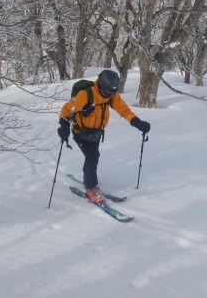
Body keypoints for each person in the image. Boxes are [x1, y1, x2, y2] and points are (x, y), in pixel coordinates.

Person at [57, 69, 150, 204]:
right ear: (100, 85)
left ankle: (88, 179)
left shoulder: (111, 96)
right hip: (80, 132)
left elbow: (123, 109)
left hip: (96, 134)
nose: (109, 95)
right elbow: (67, 109)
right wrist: (63, 126)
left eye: (113, 92)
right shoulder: (85, 95)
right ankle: (90, 187)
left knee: (94, 156)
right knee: (92, 157)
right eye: (107, 91)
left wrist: (137, 122)